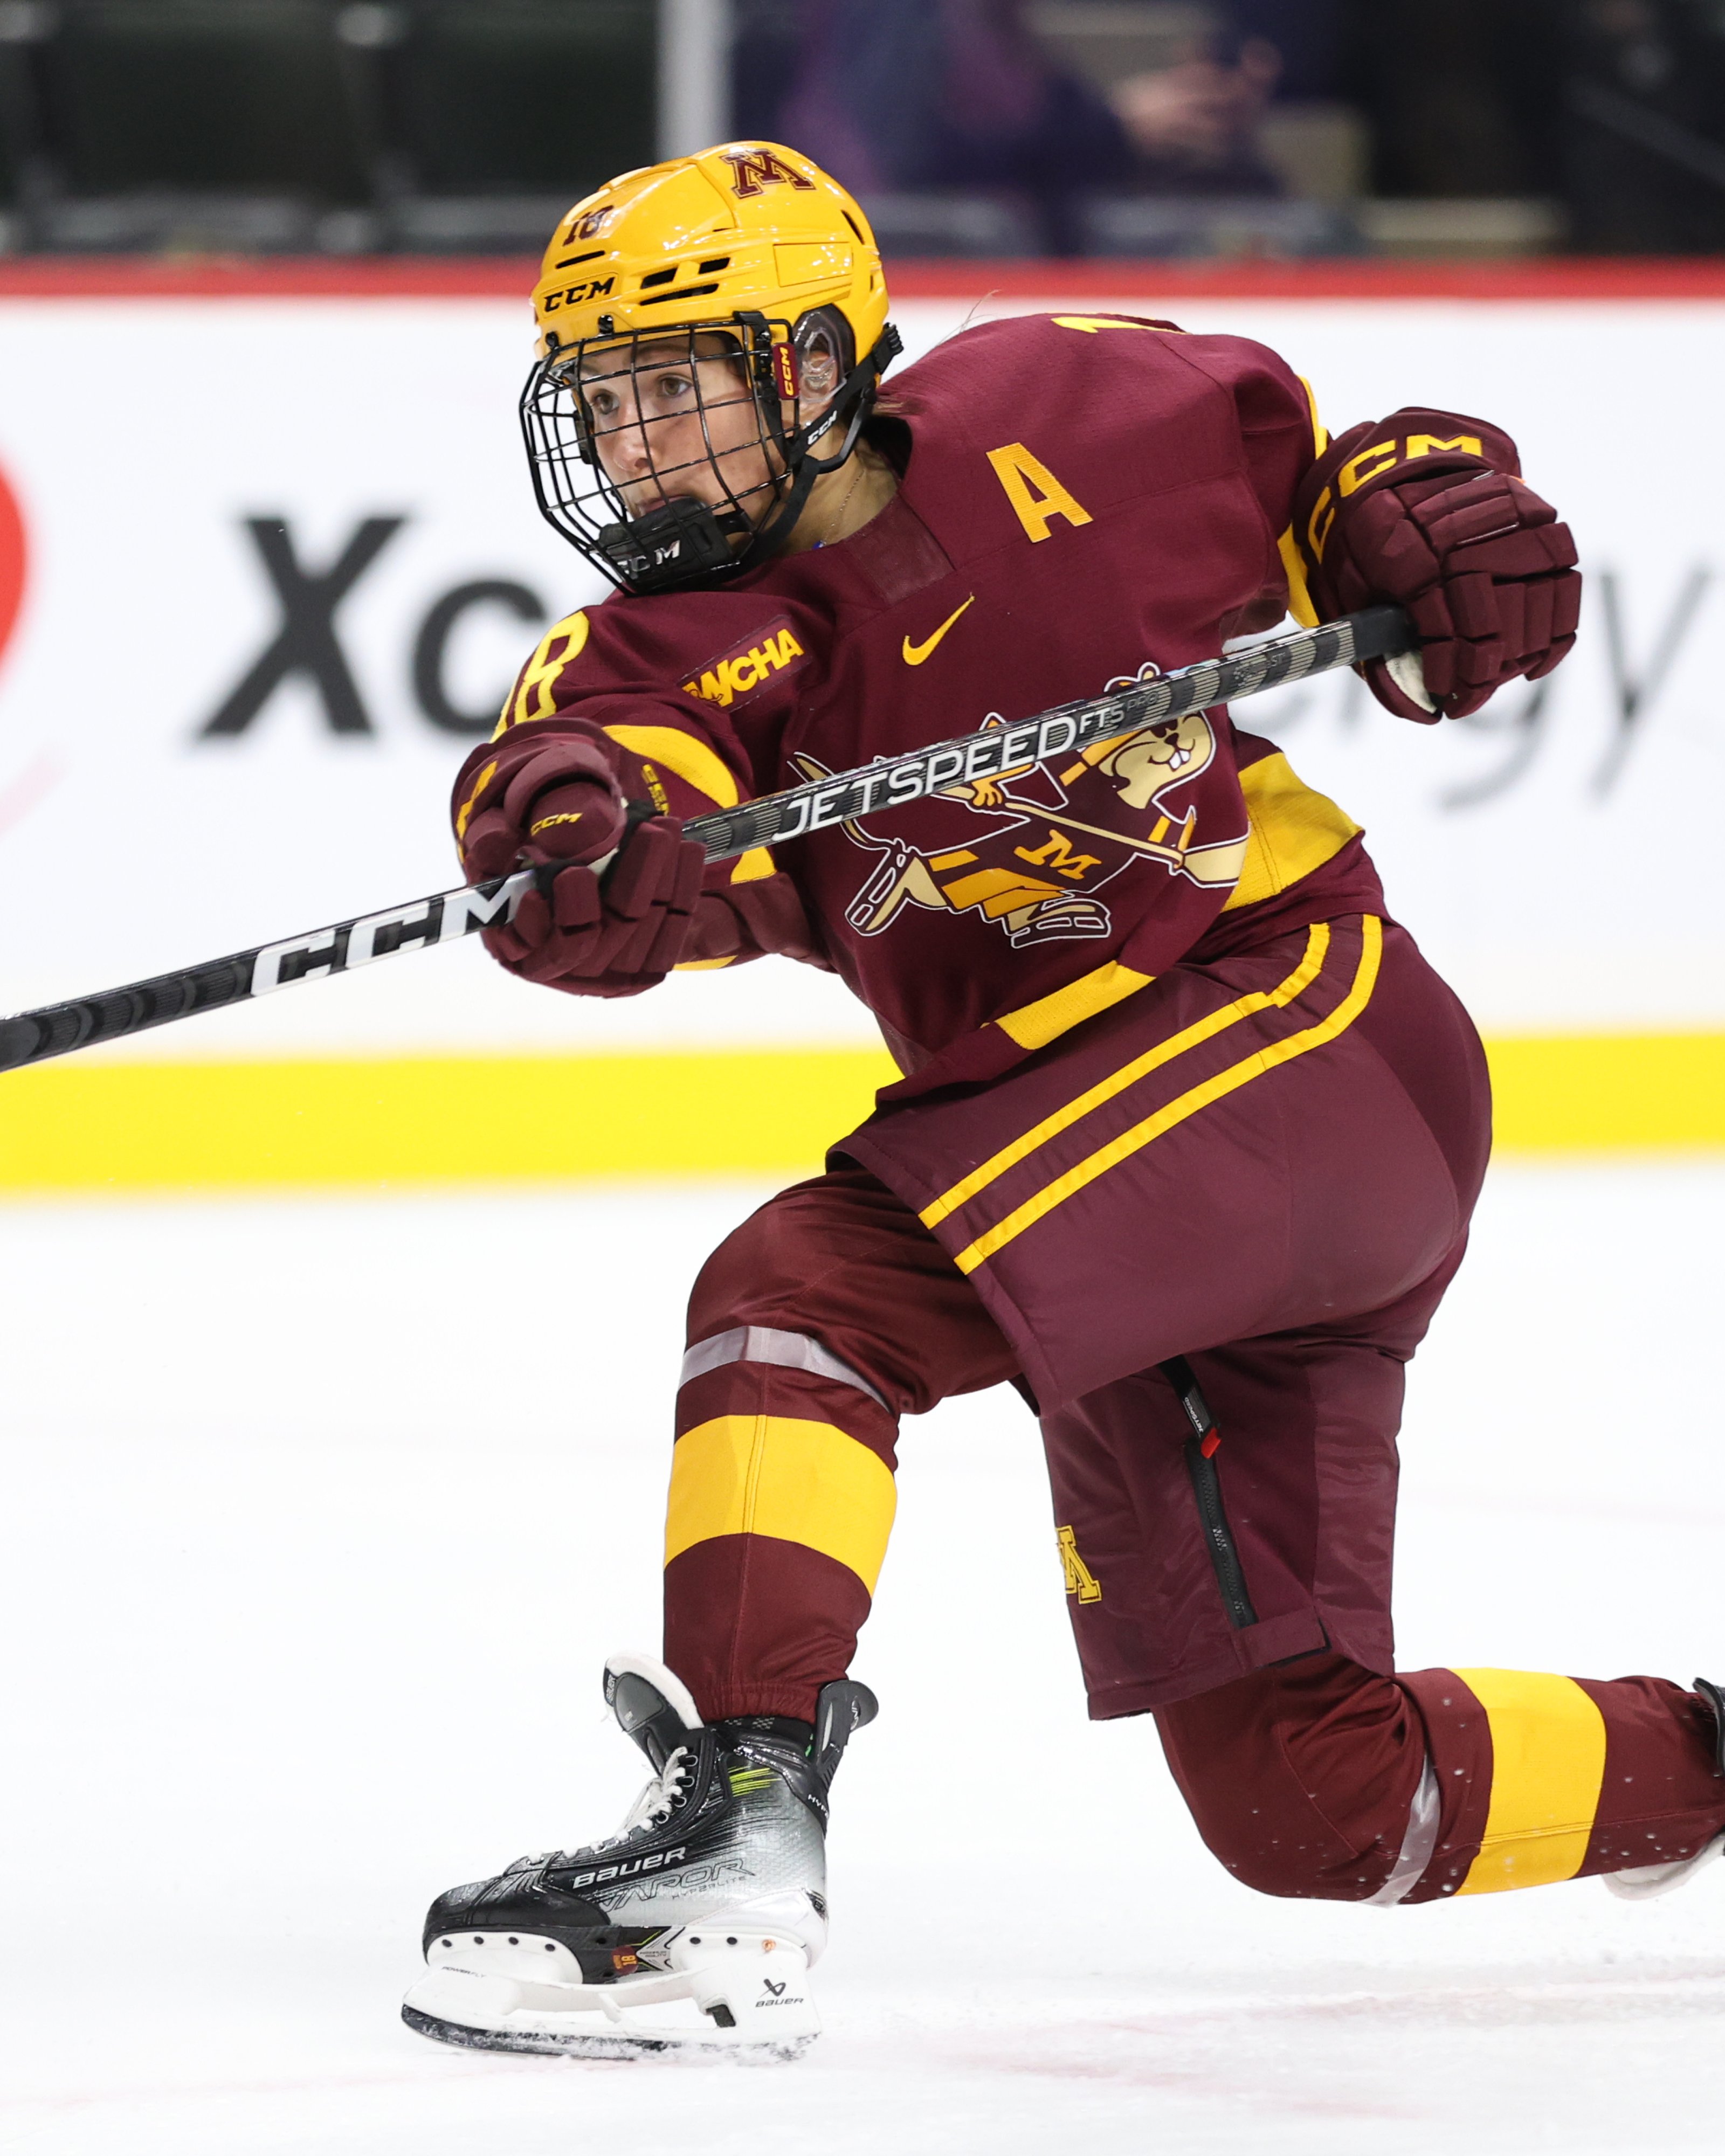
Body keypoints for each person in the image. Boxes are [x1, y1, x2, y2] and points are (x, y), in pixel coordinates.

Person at [400, 141, 1717, 2062]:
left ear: (821, 361)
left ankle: (735, 1835)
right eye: (603, 400)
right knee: (1317, 1805)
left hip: (1297, 1033)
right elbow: (577, 771)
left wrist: (1435, 511)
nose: (636, 442)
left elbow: (1340, 475)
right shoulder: (665, 648)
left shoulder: (1065, 405)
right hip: (1107, 1162)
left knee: (811, 1293)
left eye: (677, 384)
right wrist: (587, 849)